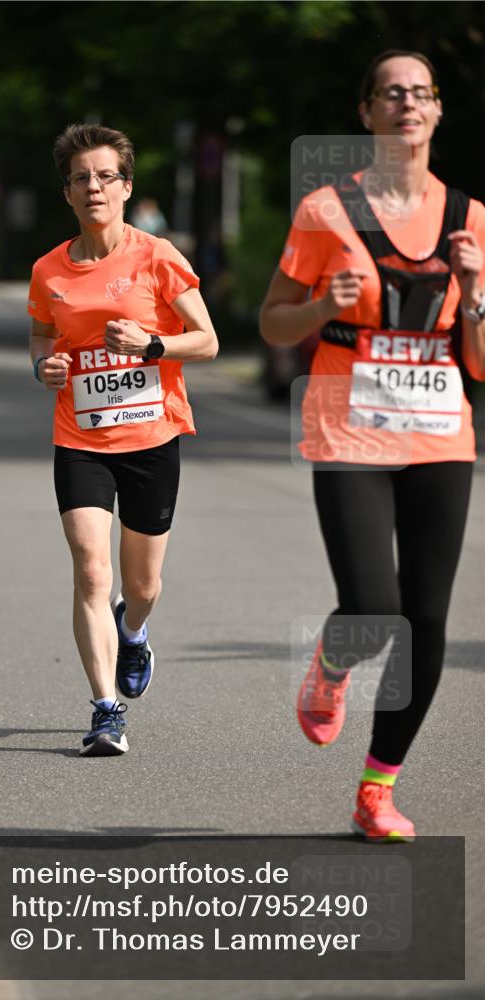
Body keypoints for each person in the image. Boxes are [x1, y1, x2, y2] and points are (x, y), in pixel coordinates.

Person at [260, 50, 485, 841]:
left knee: (425, 620)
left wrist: (477, 293)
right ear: (366, 113)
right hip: (348, 427)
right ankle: (331, 659)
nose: (406, 105)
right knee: (374, 609)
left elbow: (481, 361)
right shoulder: (325, 211)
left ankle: (376, 789)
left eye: (420, 94)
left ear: (435, 111)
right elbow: (273, 324)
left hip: (438, 435)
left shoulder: (471, 218)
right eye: (390, 93)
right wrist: (323, 302)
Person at [28, 123, 218, 757]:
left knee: (141, 586)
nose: (93, 187)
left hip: (151, 436)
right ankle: (105, 710)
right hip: (79, 436)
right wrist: (44, 366)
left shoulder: (156, 256)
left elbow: (209, 341)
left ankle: (133, 631)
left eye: (105, 176)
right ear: (68, 193)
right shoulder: (48, 270)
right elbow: (40, 338)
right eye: (81, 178)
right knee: (89, 569)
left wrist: (153, 344)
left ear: (126, 187)